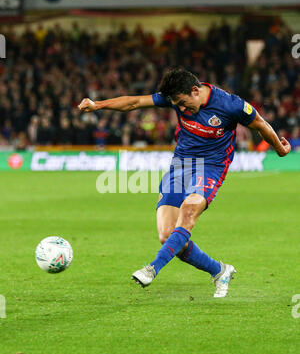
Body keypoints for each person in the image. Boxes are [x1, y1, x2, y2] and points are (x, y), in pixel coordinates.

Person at [78, 68, 291, 298]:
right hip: (181, 165)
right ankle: (219, 270)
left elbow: (259, 124)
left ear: (195, 90)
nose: (180, 109)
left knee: (188, 211)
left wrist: (280, 149)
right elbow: (135, 102)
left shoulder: (230, 105)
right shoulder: (176, 97)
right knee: (167, 235)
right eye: (175, 104)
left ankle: (152, 268)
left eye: (182, 102)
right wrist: (97, 105)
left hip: (211, 167)